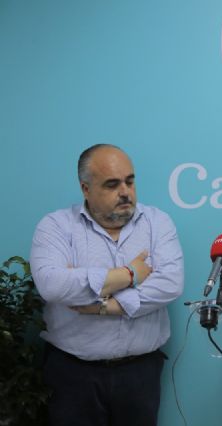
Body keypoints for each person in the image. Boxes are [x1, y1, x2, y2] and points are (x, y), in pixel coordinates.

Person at [30, 144, 184, 426]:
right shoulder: (56, 226)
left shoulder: (157, 223)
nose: (125, 192)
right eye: (112, 185)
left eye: (130, 181)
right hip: (72, 373)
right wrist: (130, 274)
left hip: (140, 374)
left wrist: (106, 306)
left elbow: (171, 283)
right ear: (86, 189)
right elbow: (52, 285)